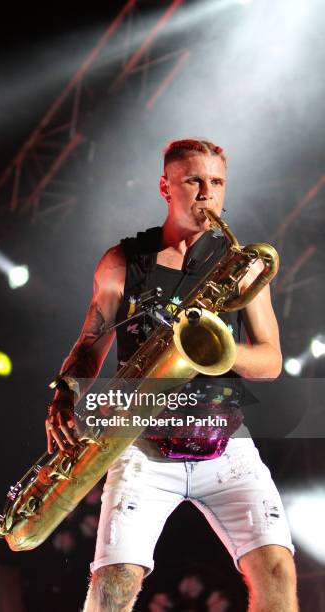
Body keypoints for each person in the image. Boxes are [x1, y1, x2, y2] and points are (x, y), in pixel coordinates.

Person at [45, 139, 298, 612]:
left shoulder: (241, 267)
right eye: (193, 181)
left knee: (278, 571)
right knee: (114, 584)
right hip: (140, 443)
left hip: (227, 444)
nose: (207, 193)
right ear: (165, 187)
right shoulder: (122, 261)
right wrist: (65, 393)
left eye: (217, 182)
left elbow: (271, 360)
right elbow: (90, 343)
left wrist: (218, 355)